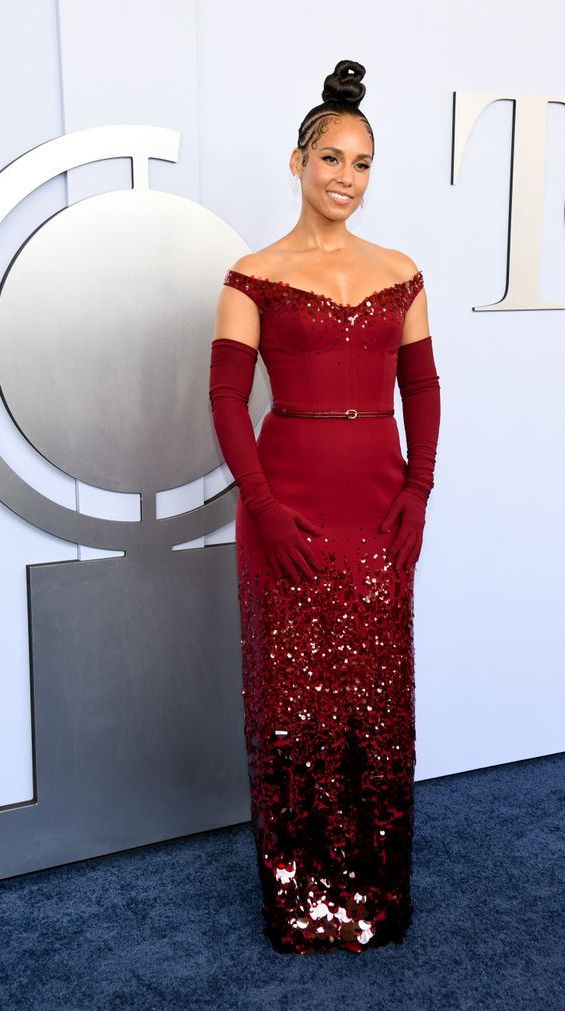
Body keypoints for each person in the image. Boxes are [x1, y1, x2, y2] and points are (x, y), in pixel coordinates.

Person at [208, 58, 441, 955]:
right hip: (287, 509)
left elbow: (422, 389)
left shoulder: (401, 271)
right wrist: (264, 510)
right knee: (292, 701)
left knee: (374, 699)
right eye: (332, 158)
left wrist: (418, 491)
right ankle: (301, 899)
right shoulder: (251, 275)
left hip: (378, 508)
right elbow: (227, 400)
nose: (347, 178)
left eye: (363, 163)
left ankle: (373, 890)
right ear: (297, 162)